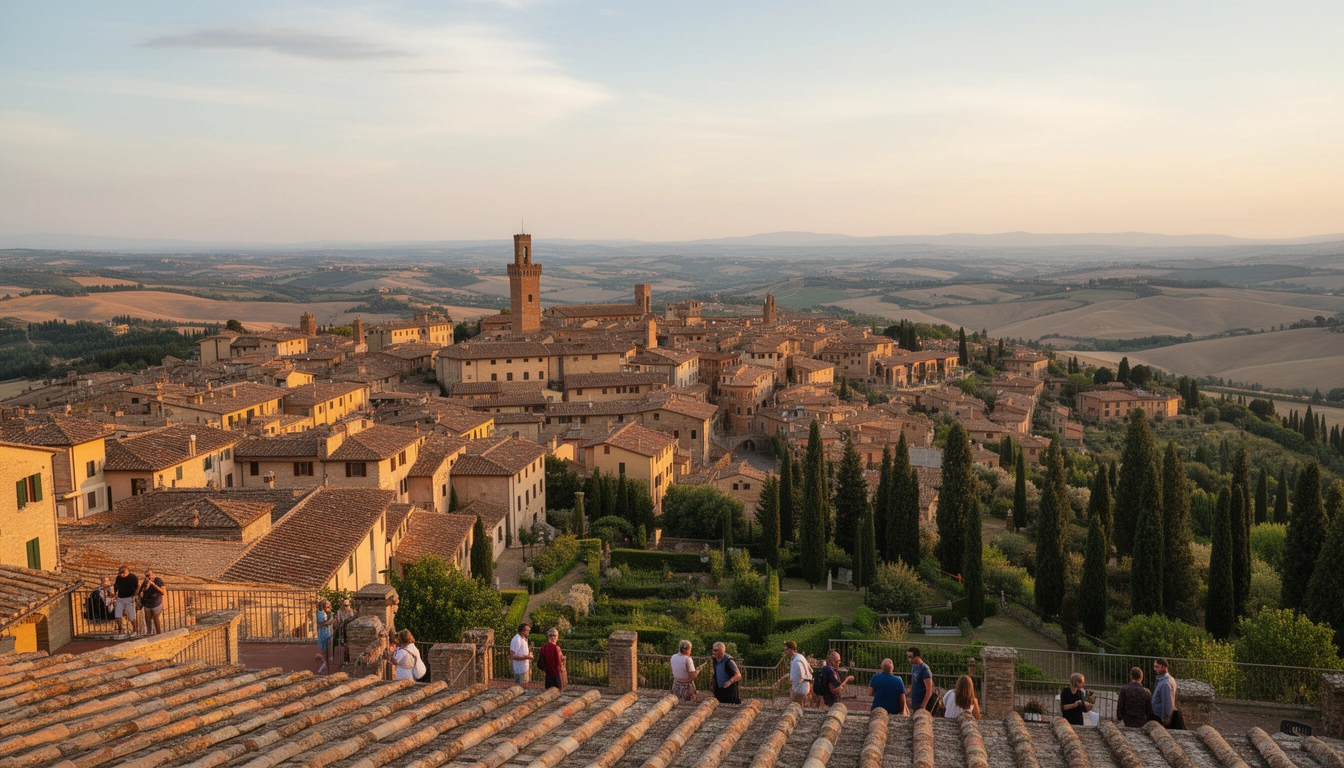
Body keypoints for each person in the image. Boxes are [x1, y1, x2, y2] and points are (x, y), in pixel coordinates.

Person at [137, 570, 166, 636]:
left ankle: (159, 634)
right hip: (147, 604)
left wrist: (153, 585)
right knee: (147, 618)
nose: (149, 577)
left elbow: (163, 591)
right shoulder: (145, 582)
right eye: (147, 576)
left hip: (156, 603)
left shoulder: (158, 580)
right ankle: (149, 633)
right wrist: (146, 587)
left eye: (150, 575)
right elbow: (140, 593)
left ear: (153, 574)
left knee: (156, 618)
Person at [113, 566, 139, 638]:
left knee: (132, 615)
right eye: (120, 573)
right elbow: (116, 586)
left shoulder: (133, 577)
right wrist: (115, 594)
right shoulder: (118, 578)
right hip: (120, 598)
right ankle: (121, 632)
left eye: (123, 573)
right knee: (118, 615)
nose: (122, 575)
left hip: (129, 598)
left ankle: (135, 631)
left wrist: (134, 595)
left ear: (127, 572)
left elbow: (137, 586)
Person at [1151, 659, 1178, 727]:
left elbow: (1167, 703)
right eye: (1154, 666)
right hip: (1159, 715)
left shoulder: (1165, 683)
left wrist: (1165, 720)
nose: (1154, 669)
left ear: (1164, 667)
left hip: (1160, 717)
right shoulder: (1164, 680)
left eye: (1157, 667)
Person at [785, 641, 813, 705]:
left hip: (800, 688)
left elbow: (801, 676)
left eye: (786, 650)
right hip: (802, 687)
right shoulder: (800, 657)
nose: (785, 652)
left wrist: (791, 680)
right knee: (798, 707)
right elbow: (811, 670)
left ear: (791, 649)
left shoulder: (797, 661)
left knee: (796, 707)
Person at [907, 646, 933, 712]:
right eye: (908, 657)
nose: (909, 659)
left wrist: (923, 705)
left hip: (921, 702)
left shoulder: (924, 669)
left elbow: (929, 690)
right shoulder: (914, 666)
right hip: (915, 700)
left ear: (917, 657)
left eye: (911, 657)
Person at [334, 598, 356, 667]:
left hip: (347, 629)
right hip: (341, 629)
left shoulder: (350, 611)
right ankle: (343, 661)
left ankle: (347, 660)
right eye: (344, 605)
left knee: (347, 645)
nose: (345, 607)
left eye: (346, 605)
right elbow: (338, 619)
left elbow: (351, 619)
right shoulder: (340, 612)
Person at [315, 599, 333, 674]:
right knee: (323, 651)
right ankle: (323, 665)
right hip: (323, 634)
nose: (328, 608)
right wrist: (329, 622)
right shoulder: (320, 613)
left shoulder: (328, 613)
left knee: (328, 650)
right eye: (326, 607)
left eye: (329, 607)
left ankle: (324, 665)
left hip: (328, 633)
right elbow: (321, 623)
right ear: (323, 607)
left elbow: (330, 622)